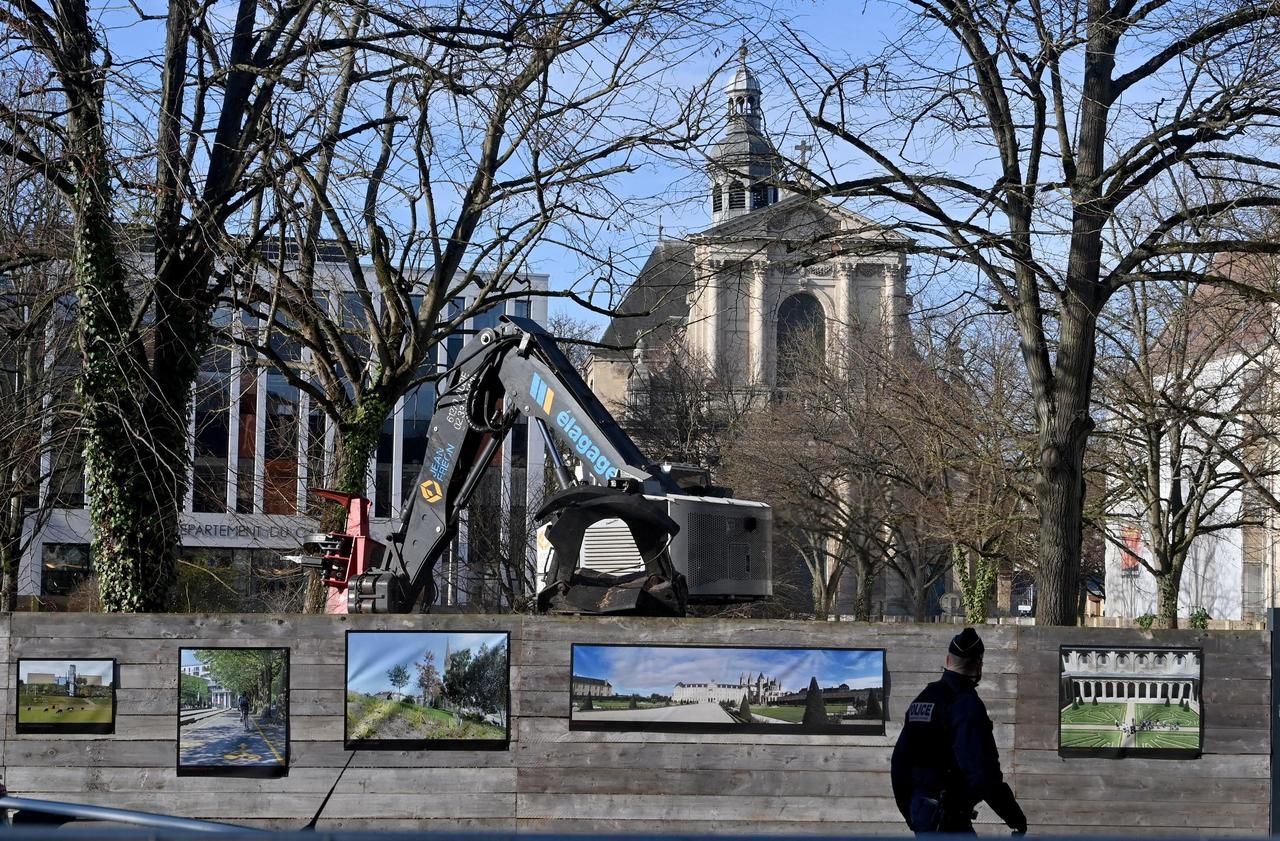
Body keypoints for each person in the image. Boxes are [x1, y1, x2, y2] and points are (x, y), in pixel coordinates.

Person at [890, 628, 1027, 835]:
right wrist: (1014, 817)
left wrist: (911, 814)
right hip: (949, 819)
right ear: (978, 665)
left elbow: (899, 764)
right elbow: (983, 773)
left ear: (947, 660)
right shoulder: (965, 704)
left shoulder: (924, 698)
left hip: (924, 816)